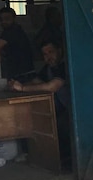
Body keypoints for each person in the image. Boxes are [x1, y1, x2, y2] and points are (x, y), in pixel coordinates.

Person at [8, 37, 71, 167]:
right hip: (56, 111)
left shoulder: (65, 66)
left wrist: (23, 88)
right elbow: (38, 82)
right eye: (45, 54)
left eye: (51, 52)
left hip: (70, 112)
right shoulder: (48, 69)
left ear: (59, 51)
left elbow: (52, 86)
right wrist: (17, 85)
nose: (48, 57)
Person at [0, 7, 35, 81]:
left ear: (14, 18)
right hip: (24, 72)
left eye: (7, 19)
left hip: (21, 74)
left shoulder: (10, 31)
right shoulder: (17, 30)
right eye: (1, 19)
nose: (4, 21)